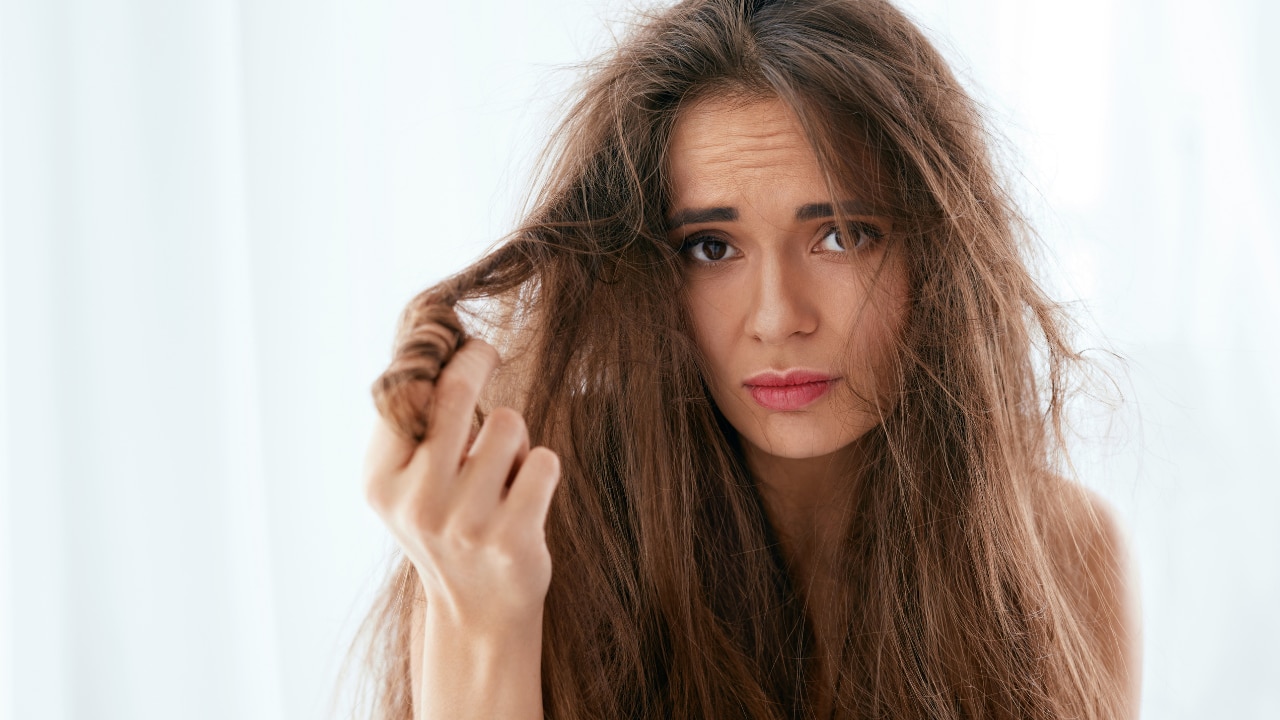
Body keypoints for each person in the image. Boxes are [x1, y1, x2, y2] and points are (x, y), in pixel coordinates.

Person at [348, 0, 1141, 718]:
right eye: (711, 247)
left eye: (842, 236)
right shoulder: (517, 535)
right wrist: (484, 616)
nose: (776, 319)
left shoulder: (1060, 553)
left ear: (940, 257)